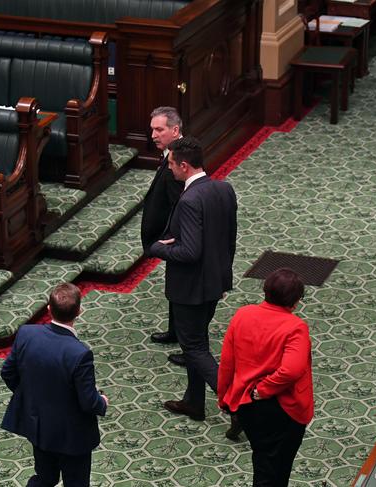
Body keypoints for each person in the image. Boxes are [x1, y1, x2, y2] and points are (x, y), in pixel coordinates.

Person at [148, 136, 237, 423]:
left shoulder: (188, 200)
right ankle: (193, 402)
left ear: (184, 166)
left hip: (191, 289)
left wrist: (159, 246)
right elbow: (229, 240)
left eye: (172, 164)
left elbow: (189, 251)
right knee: (199, 343)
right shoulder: (224, 189)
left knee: (195, 349)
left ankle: (237, 405)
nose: (170, 169)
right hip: (215, 282)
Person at [1, 283, 108, 487]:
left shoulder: (26, 334)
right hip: (72, 436)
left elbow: (7, 372)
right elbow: (87, 402)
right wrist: (102, 402)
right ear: (79, 311)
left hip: (39, 425)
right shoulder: (79, 354)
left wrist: (31, 396)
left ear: (48, 308)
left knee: (44, 478)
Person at [218, 268, 313, 487]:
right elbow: (291, 370)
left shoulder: (243, 314)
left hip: (246, 403)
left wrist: (225, 397)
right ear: (296, 300)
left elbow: (227, 363)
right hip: (281, 408)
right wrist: (264, 389)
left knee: (263, 461)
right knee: (274, 471)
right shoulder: (295, 327)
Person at [142, 106, 185, 367]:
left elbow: (181, 205)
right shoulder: (172, 153)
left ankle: (187, 343)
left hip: (176, 239)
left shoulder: (178, 163)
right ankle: (175, 330)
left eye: (159, 129)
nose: (154, 135)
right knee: (174, 285)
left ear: (175, 130)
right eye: (152, 129)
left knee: (181, 289)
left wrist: (172, 236)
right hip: (169, 238)